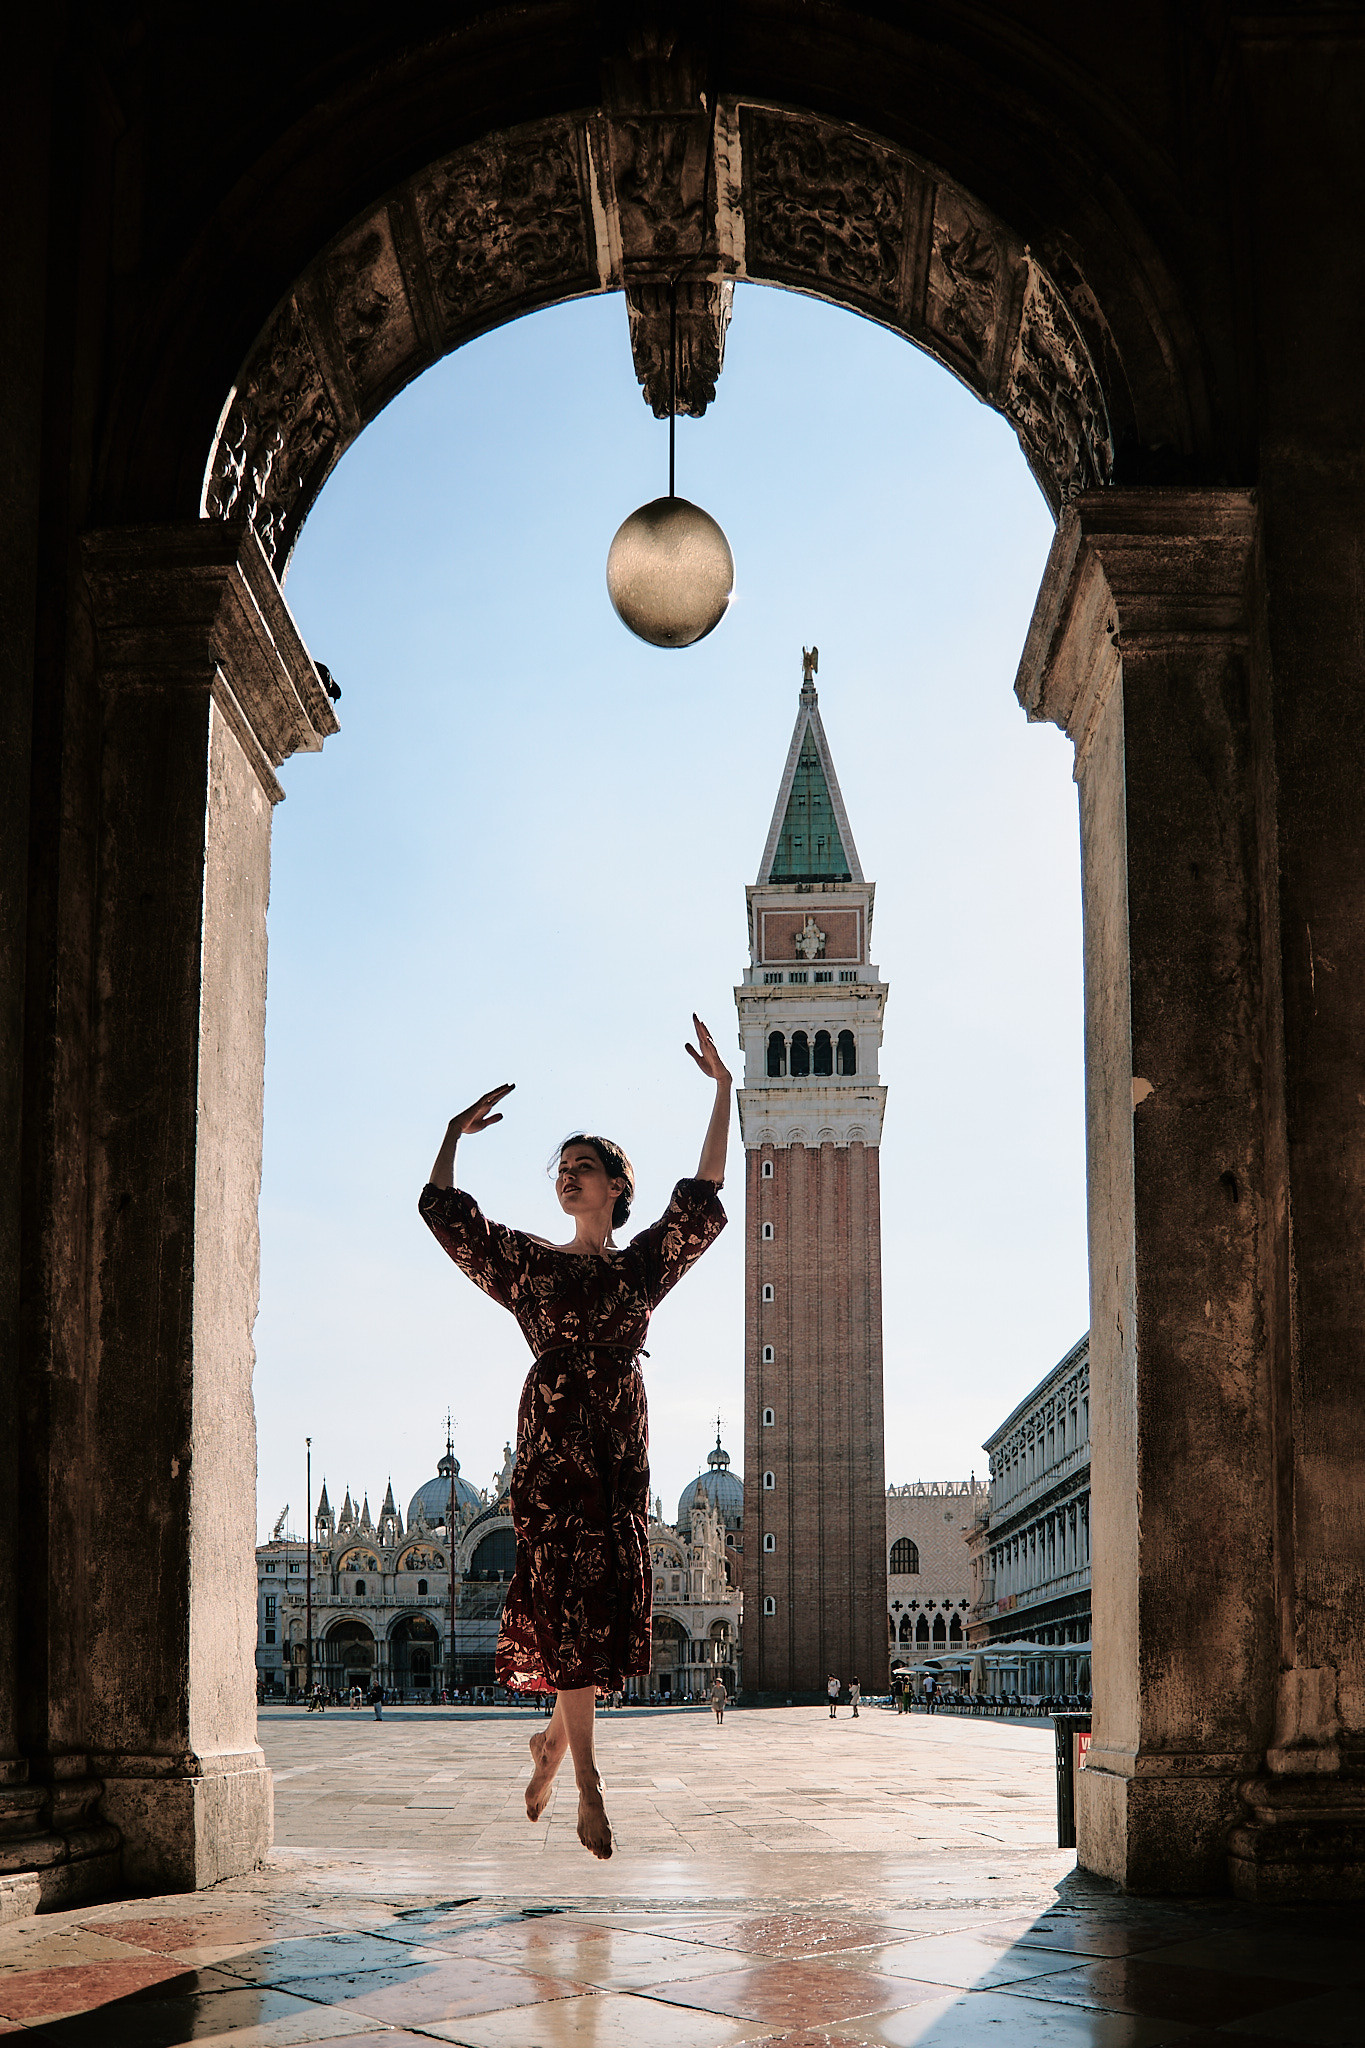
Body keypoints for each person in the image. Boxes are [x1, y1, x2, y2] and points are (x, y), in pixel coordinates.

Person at [419, 1015, 731, 1861]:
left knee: (604, 1599)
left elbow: (700, 1198)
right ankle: (588, 1785)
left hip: (620, 1445)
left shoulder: (638, 1269)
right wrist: (451, 1136)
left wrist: (723, 1091)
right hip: (554, 1441)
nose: (566, 1179)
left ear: (614, 1188)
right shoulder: (531, 1267)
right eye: (560, 1171)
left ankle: (552, 1743)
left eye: (581, 1169)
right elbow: (450, 1219)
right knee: (565, 1596)